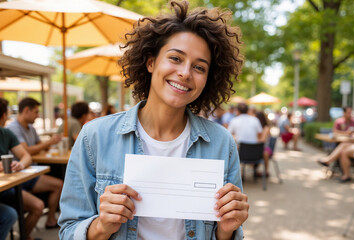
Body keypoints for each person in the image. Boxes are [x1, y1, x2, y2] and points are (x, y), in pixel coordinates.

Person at [58, 1, 249, 239]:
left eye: (199, 67)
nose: (186, 73)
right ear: (150, 62)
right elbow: (67, 231)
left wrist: (227, 230)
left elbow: (227, 235)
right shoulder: (94, 137)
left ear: (208, 79)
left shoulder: (221, 143)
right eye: (176, 58)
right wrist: (100, 226)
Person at [6, 97, 63, 230]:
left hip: (31, 173)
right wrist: (49, 142)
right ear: (26, 110)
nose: (38, 116)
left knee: (59, 185)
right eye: (36, 112)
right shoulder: (12, 129)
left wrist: (48, 144)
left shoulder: (31, 128)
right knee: (37, 205)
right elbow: (27, 150)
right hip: (17, 176)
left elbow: (38, 146)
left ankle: (50, 220)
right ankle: (25, 236)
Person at [0, 97, 46, 240]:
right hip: (7, 186)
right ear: (4, 116)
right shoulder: (12, 128)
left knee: (37, 205)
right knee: (11, 214)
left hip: (7, 187)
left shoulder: (5, 133)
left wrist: (21, 164)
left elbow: (25, 155)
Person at [255, 111, 272, 177]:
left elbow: (262, 140)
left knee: (265, 153)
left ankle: (266, 171)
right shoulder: (256, 127)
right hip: (256, 147)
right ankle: (254, 170)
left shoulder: (266, 128)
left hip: (264, 147)